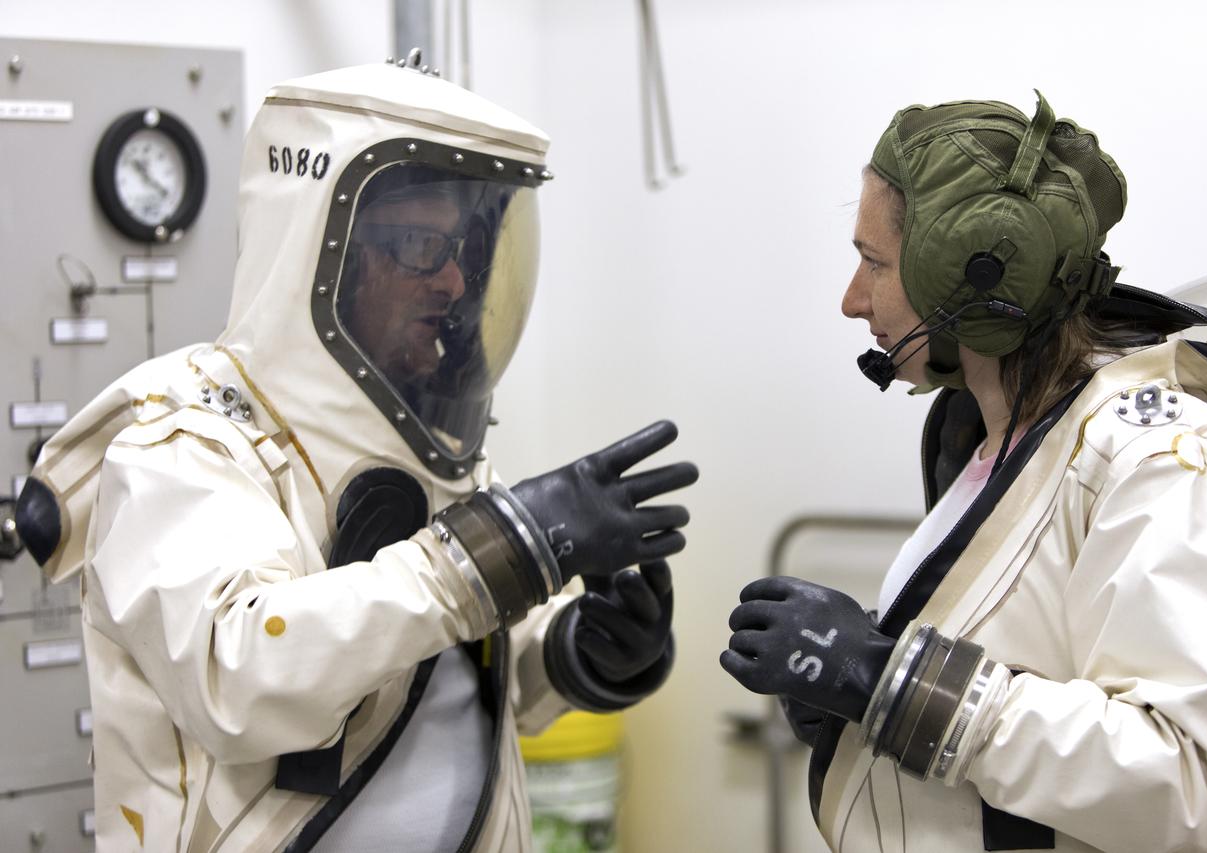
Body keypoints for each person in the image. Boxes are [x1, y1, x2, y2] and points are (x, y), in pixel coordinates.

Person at [16, 58, 697, 852]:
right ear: (324, 254)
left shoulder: (424, 448)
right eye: (418, 245)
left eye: (464, 248)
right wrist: (494, 553)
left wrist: (577, 648)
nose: (453, 281)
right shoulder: (181, 452)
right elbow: (241, 677)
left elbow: (444, 676)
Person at [720, 92, 1207, 852]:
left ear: (973, 276)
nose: (852, 300)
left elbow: (1185, 788)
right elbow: (1028, 665)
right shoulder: (997, 438)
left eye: (874, 263)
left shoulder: (1168, 463)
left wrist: (887, 680)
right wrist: (853, 697)